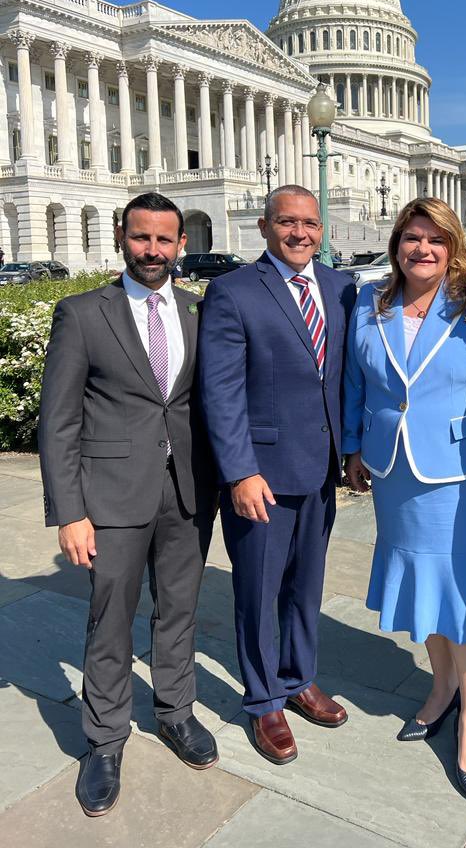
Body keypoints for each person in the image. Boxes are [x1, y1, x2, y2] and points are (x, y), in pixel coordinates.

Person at [38, 192, 218, 818]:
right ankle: (104, 740)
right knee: (110, 618)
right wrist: (69, 511)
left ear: (181, 245)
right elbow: (57, 421)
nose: (153, 250)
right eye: (142, 238)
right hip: (110, 496)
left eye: (164, 240)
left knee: (179, 610)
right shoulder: (84, 313)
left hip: (189, 489)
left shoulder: (199, 312)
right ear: (123, 236)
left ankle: (175, 711)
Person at [343, 197, 466, 800]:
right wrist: (351, 446)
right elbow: (355, 379)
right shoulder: (370, 302)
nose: (422, 249)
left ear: (453, 247)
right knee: (425, 587)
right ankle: (441, 685)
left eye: (435, 239)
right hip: (394, 469)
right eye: (412, 238)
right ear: (396, 245)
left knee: (465, 598)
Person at [198, 185, 357, 765]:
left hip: (320, 468)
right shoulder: (233, 291)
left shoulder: (342, 289)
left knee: (306, 586)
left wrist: (353, 450)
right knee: (258, 591)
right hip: (260, 474)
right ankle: (263, 698)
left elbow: (344, 379)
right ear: (264, 227)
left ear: (322, 228)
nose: (300, 234)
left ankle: (300, 677)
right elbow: (220, 390)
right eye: (287, 223)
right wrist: (239, 471)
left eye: (310, 223)